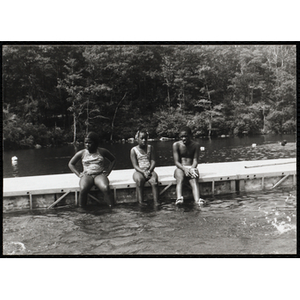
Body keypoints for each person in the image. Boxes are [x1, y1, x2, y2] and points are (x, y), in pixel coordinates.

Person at [68, 132, 116, 207]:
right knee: (83, 189)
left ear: (95, 143)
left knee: (106, 188)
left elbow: (113, 160)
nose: (87, 144)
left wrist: (108, 171)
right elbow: (71, 164)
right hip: (87, 175)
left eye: (90, 143)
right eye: (85, 143)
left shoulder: (102, 151)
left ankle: (112, 207)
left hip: (99, 175)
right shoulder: (82, 153)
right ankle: (82, 209)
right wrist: (78, 174)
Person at [172, 126, 204, 205]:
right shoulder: (176, 145)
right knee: (180, 178)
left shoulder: (196, 145)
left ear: (190, 135)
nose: (183, 138)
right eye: (182, 137)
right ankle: (179, 198)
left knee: (194, 178)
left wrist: (192, 168)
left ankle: (197, 200)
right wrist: (184, 169)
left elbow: (195, 160)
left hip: (191, 167)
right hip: (180, 168)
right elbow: (176, 162)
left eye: (185, 136)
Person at [130, 129, 159, 205]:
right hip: (139, 171)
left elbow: (153, 161)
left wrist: (149, 171)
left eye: (145, 138)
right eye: (142, 138)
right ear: (137, 139)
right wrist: (143, 172)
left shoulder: (150, 147)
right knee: (139, 181)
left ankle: (156, 202)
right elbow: (135, 165)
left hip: (149, 170)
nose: (144, 140)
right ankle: (141, 202)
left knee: (154, 182)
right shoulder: (133, 150)